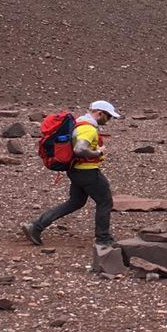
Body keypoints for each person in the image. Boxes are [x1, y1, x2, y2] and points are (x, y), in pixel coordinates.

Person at [22, 100, 121, 248]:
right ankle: (103, 238)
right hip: (88, 172)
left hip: (75, 170)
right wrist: (98, 152)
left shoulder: (79, 124)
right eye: (108, 116)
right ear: (100, 113)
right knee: (105, 201)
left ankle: (36, 226)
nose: (109, 120)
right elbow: (80, 149)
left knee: (75, 202)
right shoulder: (88, 129)